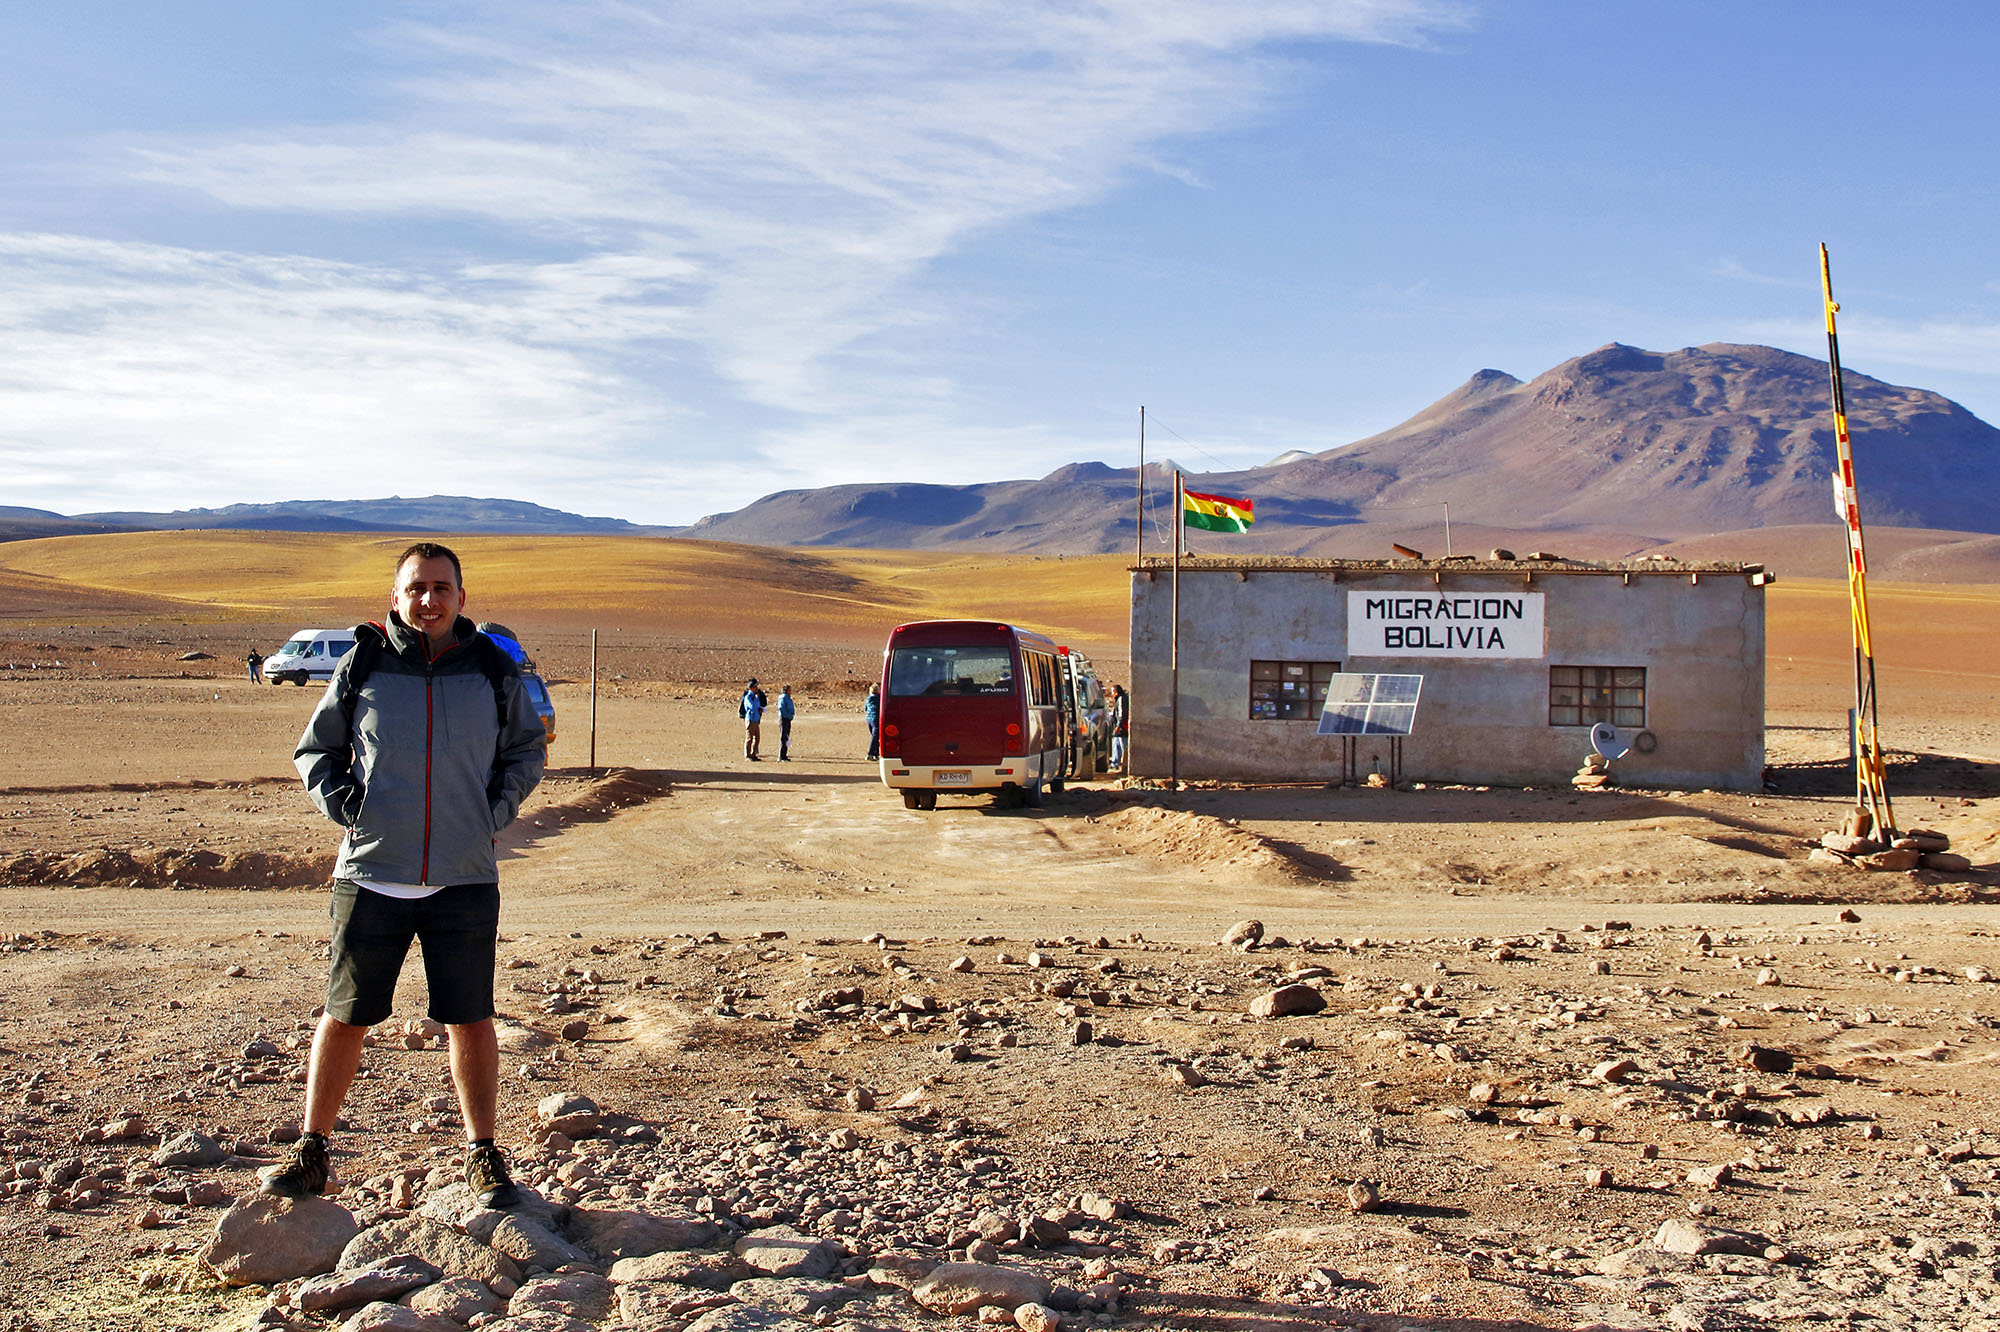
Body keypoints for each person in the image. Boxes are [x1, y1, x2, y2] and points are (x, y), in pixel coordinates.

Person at [261, 542, 547, 1208]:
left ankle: (482, 1153)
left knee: (470, 1018)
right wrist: (348, 810)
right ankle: (312, 1150)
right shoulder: (362, 664)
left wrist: (492, 811)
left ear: (461, 598)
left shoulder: (491, 669)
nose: (429, 599)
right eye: (416, 588)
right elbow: (317, 750)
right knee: (344, 1015)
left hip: (464, 876)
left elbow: (526, 748)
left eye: (441, 588)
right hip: (371, 874)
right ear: (396, 597)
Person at [740, 677, 767, 760]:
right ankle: (747, 755)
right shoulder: (748, 697)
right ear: (751, 688)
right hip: (750, 719)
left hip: (756, 719)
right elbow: (752, 706)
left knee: (757, 738)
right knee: (749, 738)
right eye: (755, 687)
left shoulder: (756, 696)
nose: (757, 688)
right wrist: (758, 707)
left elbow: (760, 704)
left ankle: (753, 753)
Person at [1107, 683, 1129, 770]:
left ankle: (1124, 764)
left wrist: (1119, 726)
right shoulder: (1120, 699)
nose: (1112, 694)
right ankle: (1115, 762)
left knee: (1123, 745)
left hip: (1122, 728)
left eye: (1113, 691)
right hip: (1119, 727)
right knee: (1116, 744)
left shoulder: (1121, 699)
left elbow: (1122, 714)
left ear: (1116, 692)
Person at [776, 686, 796, 761]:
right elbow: (781, 708)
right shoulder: (783, 698)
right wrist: (788, 716)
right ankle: (781, 756)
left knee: (786, 736)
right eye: (790, 690)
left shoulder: (788, 698)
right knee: (783, 737)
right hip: (784, 719)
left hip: (787, 719)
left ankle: (784, 755)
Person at [864, 683, 880, 761]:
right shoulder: (878, 699)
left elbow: (865, 708)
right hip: (875, 719)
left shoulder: (868, 699)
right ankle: (870, 753)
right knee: (875, 737)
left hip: (868, 719)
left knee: (875, 737)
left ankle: (876, 754)